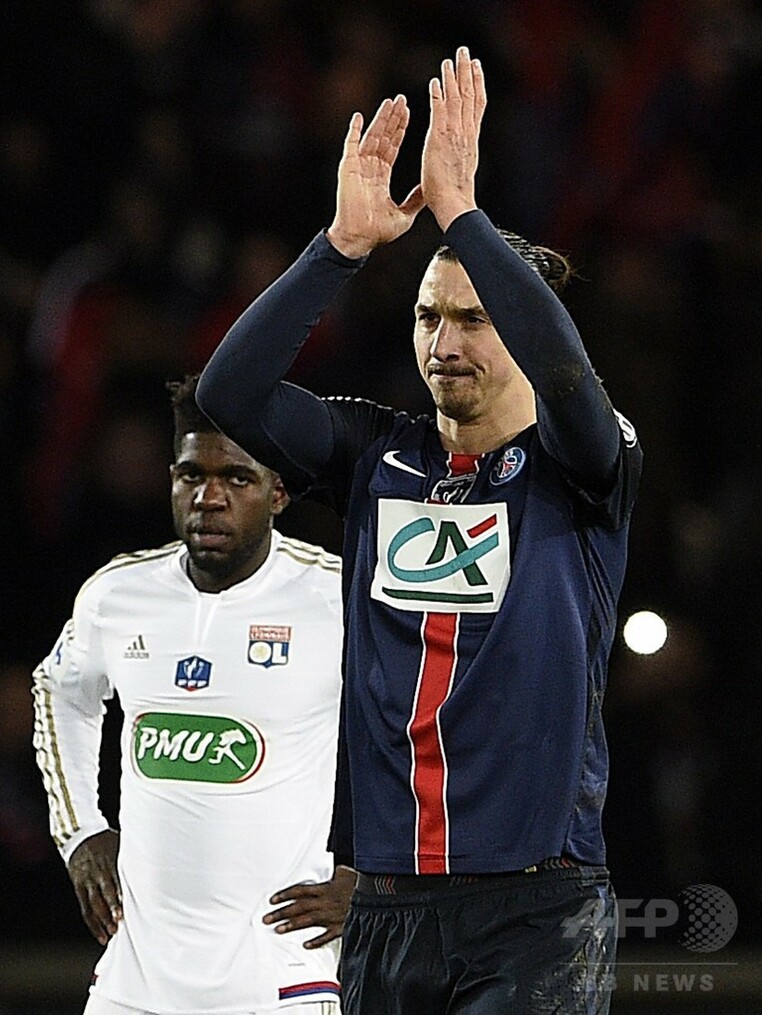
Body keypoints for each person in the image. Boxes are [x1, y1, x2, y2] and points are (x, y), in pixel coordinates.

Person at [196, 46, 642, 1015]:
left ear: (520, 328)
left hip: (537, 901)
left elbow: (569, 379)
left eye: (475, 319)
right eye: (429, 316)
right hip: (388, 898)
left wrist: (462, 214)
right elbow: (228, 391)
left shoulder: (583, 463)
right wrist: (340, 247)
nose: (444, 344)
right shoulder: (374, 453)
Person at [32, 374, 354, 1015]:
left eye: (236, 478)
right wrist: (80, 831)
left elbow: (421, 727)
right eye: (191, 476)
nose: (209, 498)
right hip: (135, 979)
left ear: (279, 492)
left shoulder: (336, 598)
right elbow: (59, 692)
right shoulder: (118, 594)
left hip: (280, 980)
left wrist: (375, 877)